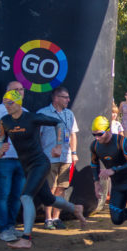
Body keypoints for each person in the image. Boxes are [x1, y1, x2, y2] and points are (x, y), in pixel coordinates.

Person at [0, 90, 84, 249]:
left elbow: (58, 123)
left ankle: (26, 238)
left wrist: (58, 145)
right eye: (5, 103)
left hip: (40, 163)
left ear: (18, 103)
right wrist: (0, 148)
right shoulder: (4, 121)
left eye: (10, 103)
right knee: (49, 199)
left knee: (25, 197)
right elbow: (2, 139)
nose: (7, 106)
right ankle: (76, 209)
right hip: (26, 166)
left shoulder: (31, 117)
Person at [90, 116, 127, 251]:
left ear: (108, 131)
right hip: (117, 185)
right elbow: (94, 165)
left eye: (99, 134)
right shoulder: (95, 146)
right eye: (94, 134)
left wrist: (113, 170)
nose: (97, 138)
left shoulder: (120, 141)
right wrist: (96, 183)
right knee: (116, 219)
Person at [37, 87, 85, 230]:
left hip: (66, 157)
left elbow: (72, 134)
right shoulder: (43, 113)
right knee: (50, 188)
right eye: (65, 97)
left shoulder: (69, 114)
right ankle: (48, 219)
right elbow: (37, 136)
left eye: (68, 97)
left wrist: (74, 152)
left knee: (62, 188)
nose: (68, 100)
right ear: (56, 98)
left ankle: (57, 218)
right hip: (49, 158)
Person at [0, 82, 27, 242]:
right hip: (3, 160)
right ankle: (4, 228)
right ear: (7, 92)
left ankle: (11, 226)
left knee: (17, 195)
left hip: (21, 160)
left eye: (21, 89)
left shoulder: (26, 111)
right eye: (15, 89)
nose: (19, 92)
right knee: (3, 194)